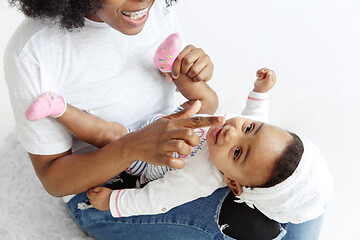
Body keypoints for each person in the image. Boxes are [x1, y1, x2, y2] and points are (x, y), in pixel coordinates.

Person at [4, 0, 326, 239]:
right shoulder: (33, 53)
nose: (142, 2)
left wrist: (190, 75)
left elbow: (218, 110)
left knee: (302, 197)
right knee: (263, 229)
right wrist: (130, 151)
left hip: (172, 135)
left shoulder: (151, 8)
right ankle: (59, 108)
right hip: (104, 183)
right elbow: (54, 180)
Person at [26, 67, 332, 225]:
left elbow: (157, 200)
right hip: (173, 119)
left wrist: (113, 202)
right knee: (205, 100)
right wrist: (260, 91)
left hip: (144, 156)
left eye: (237, 153)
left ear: (234, 184)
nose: (231, 133)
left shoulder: (198, 179)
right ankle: (171, 65)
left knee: (111, 135)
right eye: (249, 130)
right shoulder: (238, 128)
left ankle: (59, 108)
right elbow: (255, 115)